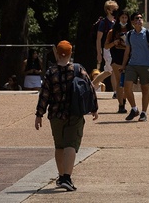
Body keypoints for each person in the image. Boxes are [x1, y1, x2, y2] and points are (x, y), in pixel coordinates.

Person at [34, 40, 98, 191]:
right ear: (70, 53)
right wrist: (94, 108)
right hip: (74, 113)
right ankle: (67, 178)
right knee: (71, 145)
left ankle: (61, 174)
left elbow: (44, 95)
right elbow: (90, 88)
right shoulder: (78, 69)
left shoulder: (51, 72)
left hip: (55, 114)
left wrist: (39, 114)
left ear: (57, 53)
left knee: (59, 146)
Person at [121, 13, 149, 122]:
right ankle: (134, 109)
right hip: (132, 64)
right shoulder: (130, 34)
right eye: (137, 18)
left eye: (141, 18)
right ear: (132, 22)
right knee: (127, 88)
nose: (139, 20)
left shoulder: (148, 33)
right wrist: (123, 65)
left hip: (145, 64)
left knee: (145, 89)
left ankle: (144, 112)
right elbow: (127, 51)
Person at [105, 12, 134, 114]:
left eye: (126, 18)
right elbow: (106, 46)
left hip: (129, 59)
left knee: (128, 82)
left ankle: (125, 100)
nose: (124, 20)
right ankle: (121, 105)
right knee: (119, 82)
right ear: (118, 19)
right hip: (117, 59)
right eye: (122, 17)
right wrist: (114, 42)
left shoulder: (132, 31)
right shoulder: (112, 32)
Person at [93, 0, 117, 75]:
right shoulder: (103, 23)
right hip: (107, 50)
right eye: (113, 9)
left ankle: (94, 83)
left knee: (109, 71)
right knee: (112, 71)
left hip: (114, 49)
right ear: (108, 10)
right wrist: (99, 53)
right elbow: (98, 39)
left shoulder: (115, 22)